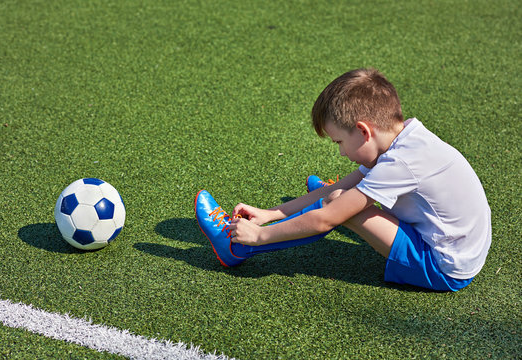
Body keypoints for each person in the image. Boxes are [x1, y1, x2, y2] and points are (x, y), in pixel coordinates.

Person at [195, 68, 491, 291]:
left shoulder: (399, 164)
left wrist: (260, 233)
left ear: (364, 131)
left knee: (336, 206)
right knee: (339, 194)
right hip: (459, 248)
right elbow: (342, 185)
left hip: (443, 267)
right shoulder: (405, 136)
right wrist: (270, 214)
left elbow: (326, 219)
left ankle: (236, 248)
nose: (340, 152)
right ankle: (349, 201)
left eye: (338, 142)